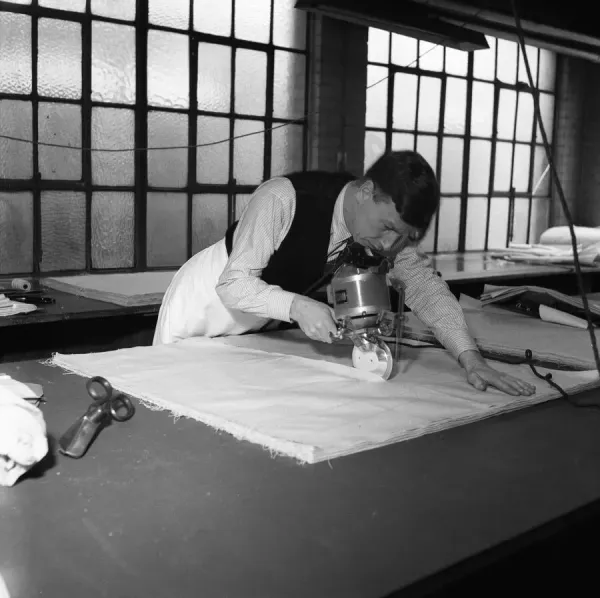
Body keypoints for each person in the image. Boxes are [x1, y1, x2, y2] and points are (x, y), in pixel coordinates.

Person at [154, 150, 535, 397]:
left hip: (260, 315)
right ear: (366, 191)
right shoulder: (282, 198)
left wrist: (472, 359)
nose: (389, 246)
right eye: (387, 228)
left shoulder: (388, 235)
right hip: (206, 300)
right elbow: (233, 284)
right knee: (173, 394)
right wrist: (300, 308)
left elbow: (425, 289)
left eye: (404, 237)